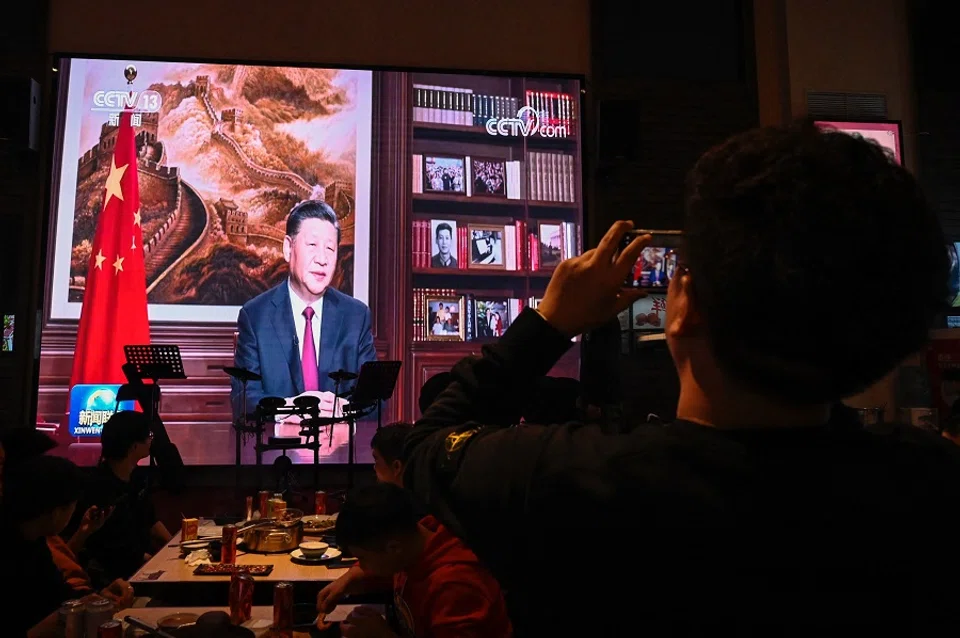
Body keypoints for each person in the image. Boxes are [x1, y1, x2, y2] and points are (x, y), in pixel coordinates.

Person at [401, 123, 958, 634]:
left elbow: (425, 448)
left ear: (685, 305)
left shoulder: (561, 480)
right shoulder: (931, 484)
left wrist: (550, 322)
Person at [232, 200, 377, 435]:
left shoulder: (356, 317)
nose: (322, 258)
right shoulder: (255, 316)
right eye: (312, 245)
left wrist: (347, 409)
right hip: (276, 458)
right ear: (288, 248)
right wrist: (285, 410)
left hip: (339, 458)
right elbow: (242, 400)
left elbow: (377, 401)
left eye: (330, 248)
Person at [316, 483, 511, 637]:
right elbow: (389, 570)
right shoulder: (415, 543)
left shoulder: (455, 586)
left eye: (362, 558)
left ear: (393, 548)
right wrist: (352, 578)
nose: (362, 564)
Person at [4, 455, 134, 636]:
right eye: (73, 506)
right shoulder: (16, 552)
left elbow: (60, 593)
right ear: (57, 514)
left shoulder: (36, 541)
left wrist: (100, 596)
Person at [63, 411, 172, 583]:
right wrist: (155, 564)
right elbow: (108, 548)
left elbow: (151, 521)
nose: (152, 440)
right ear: (134, 446)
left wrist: (175, 547)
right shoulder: (98, 488)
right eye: (149, 436)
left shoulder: (137, 478)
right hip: (116, 578)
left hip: (144, 565)